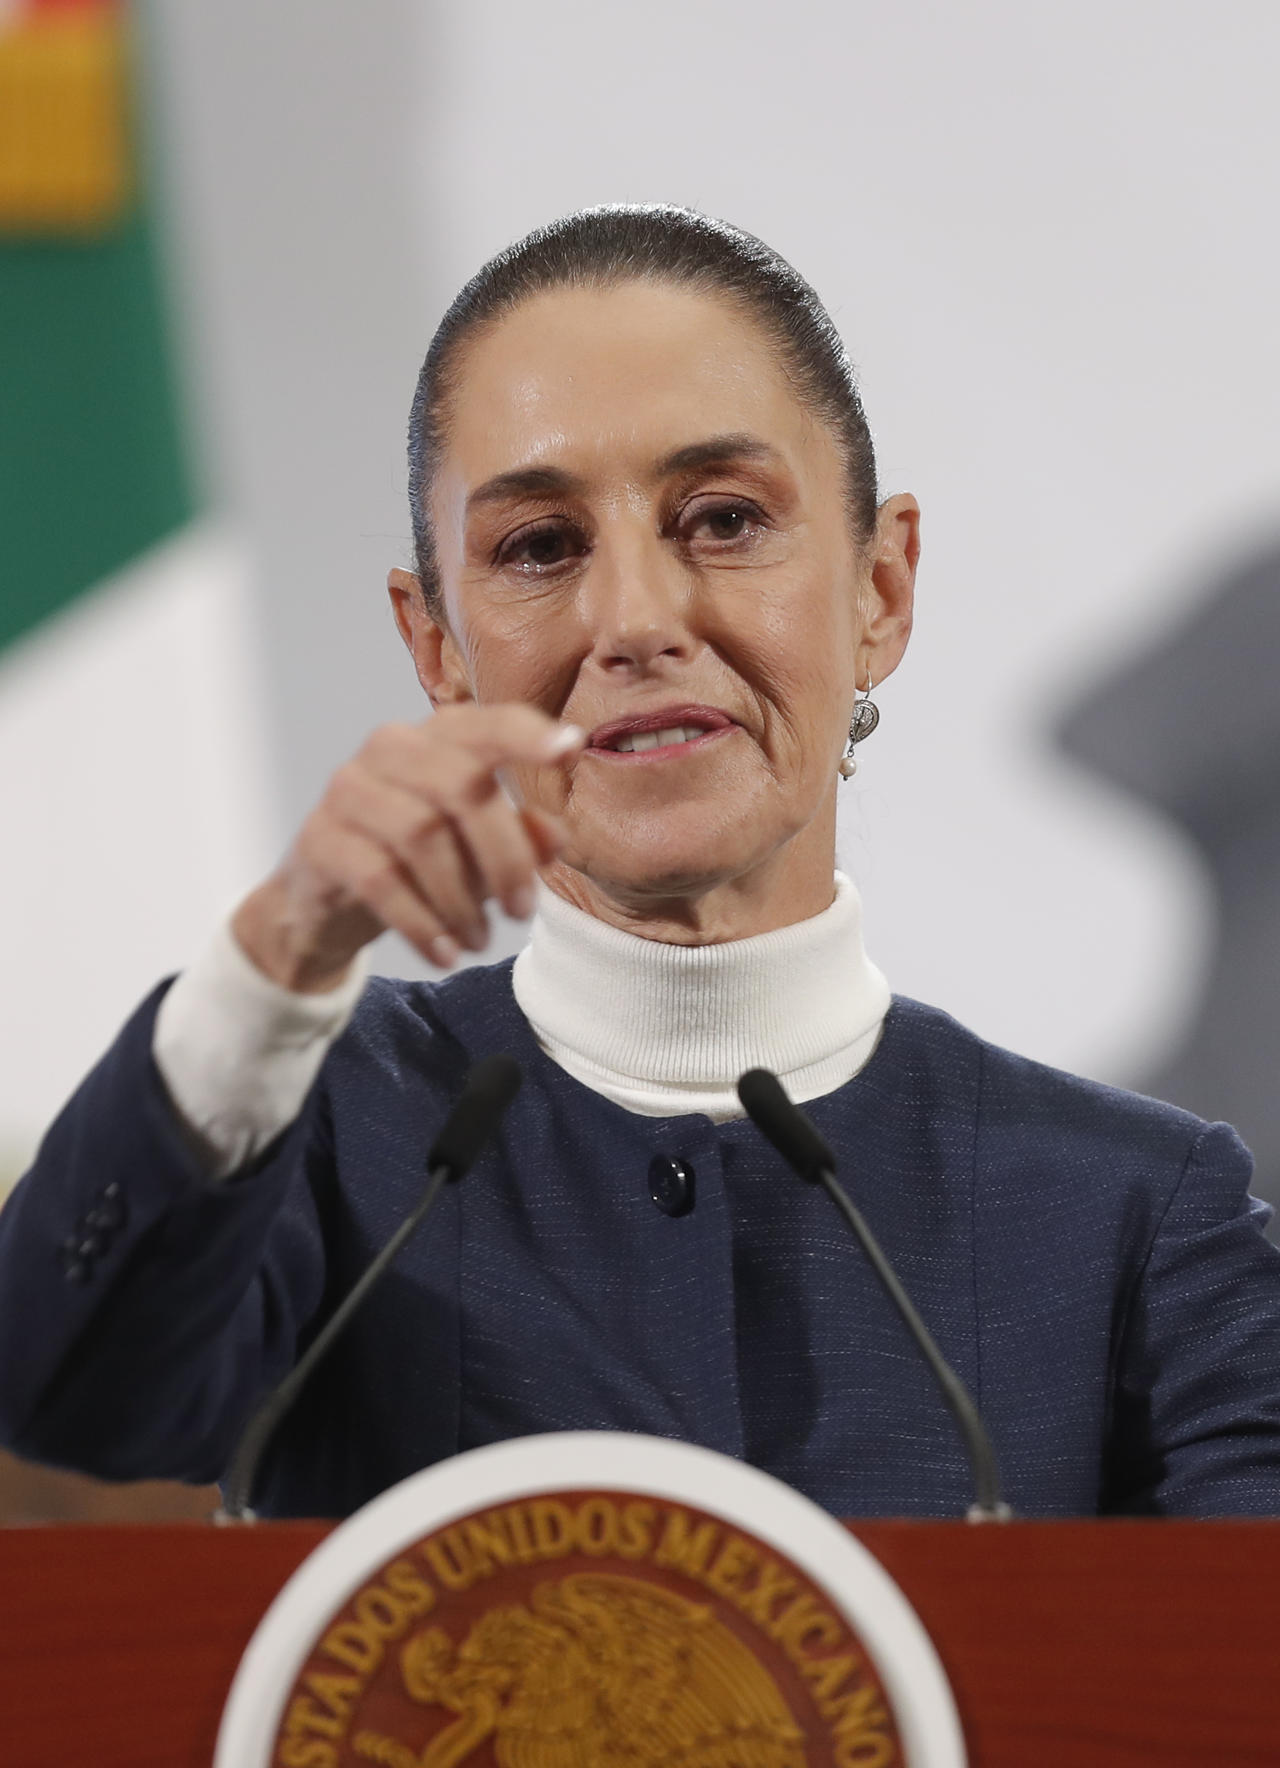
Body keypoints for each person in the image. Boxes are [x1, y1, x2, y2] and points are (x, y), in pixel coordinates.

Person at [1, 204, 1278, 1519]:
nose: (635, 621)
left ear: (881, 591)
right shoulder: (319, 1138)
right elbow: (65, 1394)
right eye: (539, 549)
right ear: (438, 646)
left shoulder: (1135, 1218)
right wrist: (270, 967)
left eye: (722, 520)